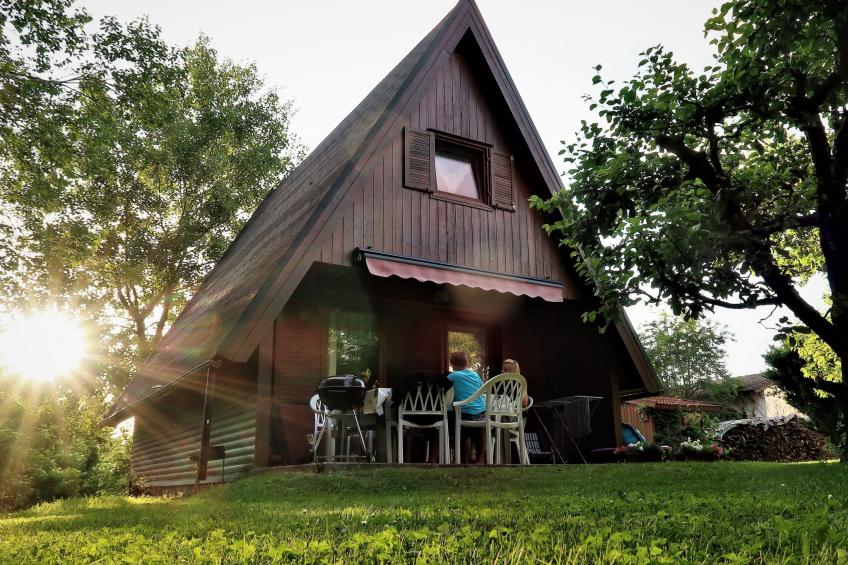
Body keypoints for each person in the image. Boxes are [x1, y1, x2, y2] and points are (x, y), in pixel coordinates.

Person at [447, 351, 485, 463]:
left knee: (462, 430)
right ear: (467, 363)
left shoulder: (452, 376)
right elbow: (481, 388)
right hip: (482, 413)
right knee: (479, 430)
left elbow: (444, 390)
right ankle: (481, 459)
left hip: (465, 413)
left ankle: (463, 460)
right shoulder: (475, 374)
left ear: (452, 364)